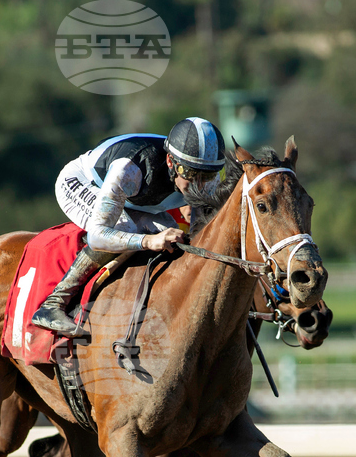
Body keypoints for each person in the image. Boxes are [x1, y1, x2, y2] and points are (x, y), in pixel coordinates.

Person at [31, 117, 226, 337]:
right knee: (126, 229)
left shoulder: (207, 176)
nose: (200, 185)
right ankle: (53, 304)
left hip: (135, 198)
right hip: (83, 181)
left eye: (207, 175)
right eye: (190, 174)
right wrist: (149, 241)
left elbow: (200, 236)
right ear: (171, 162)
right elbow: (98, 235)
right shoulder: (131, 168)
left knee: (175, 236)